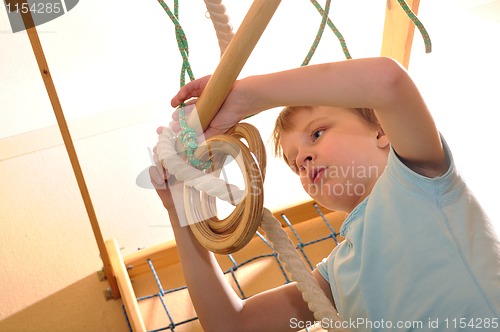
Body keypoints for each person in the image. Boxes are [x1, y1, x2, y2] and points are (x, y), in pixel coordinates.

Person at [149, 57, 500, 331]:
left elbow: (388, 80)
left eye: (316, 134)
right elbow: (230, 325)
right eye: (294, 164)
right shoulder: (337, 272)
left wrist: (247, 95)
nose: (303, 159)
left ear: (382, 130)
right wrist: (180, 208)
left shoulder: (420, 178)